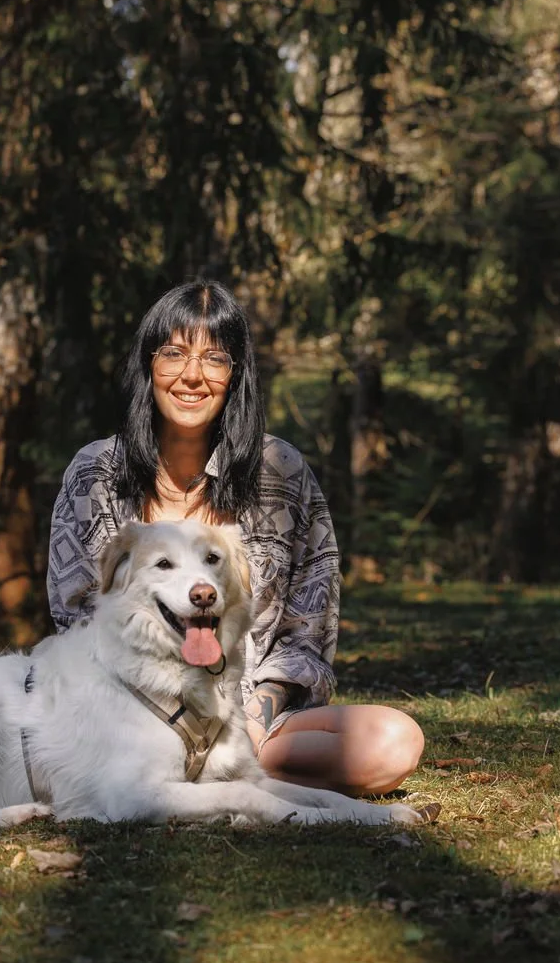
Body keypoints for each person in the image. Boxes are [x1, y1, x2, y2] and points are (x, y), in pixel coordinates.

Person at [46, 280, 424, 797]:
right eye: (174, 353)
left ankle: (214, 775)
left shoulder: (282, 471)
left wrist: (248, 720)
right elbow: (77, 619)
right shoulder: (94, 474)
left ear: (237, 373)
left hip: (247, 725)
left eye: (215, 358)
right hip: (123, 717)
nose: (192, 376)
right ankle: (188, 779)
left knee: (393, 743)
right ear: (148, 366)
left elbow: (305, 635)